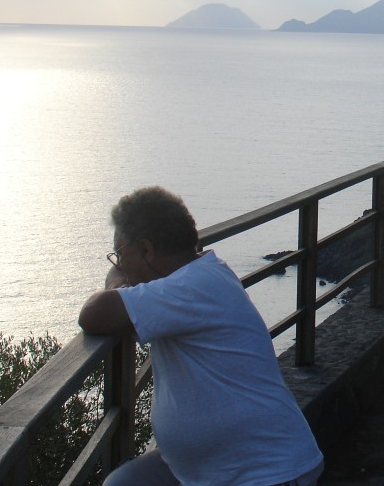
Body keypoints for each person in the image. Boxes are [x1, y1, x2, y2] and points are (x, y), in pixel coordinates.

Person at [79, 185, 324, 486]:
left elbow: (94, 314)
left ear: (146, 249)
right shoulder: (199, 276)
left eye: (119, 255)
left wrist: (117, 284)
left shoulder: (191, 287)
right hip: (204, 468)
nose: (119, 266)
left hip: (266, 473)